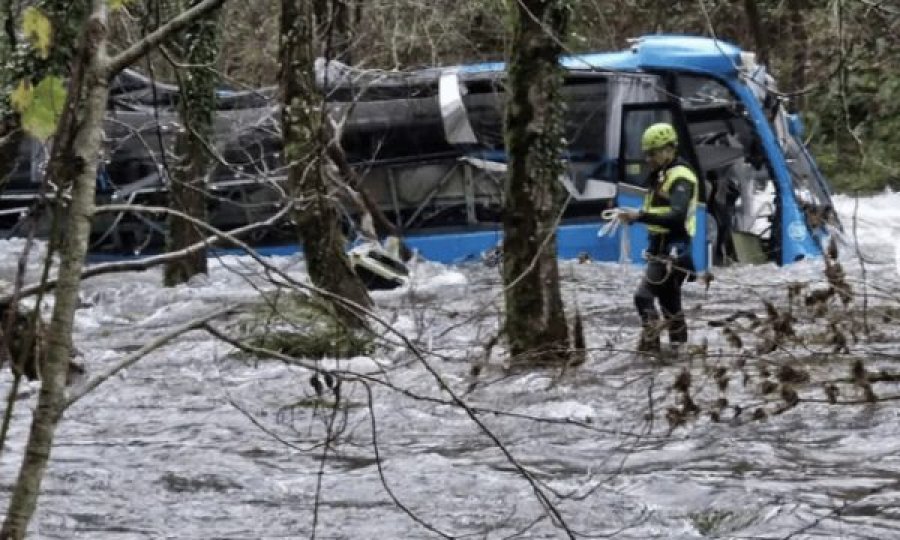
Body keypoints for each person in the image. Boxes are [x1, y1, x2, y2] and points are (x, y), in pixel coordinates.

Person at [619, 122, 699, 353]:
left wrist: (639, 216)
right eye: (647, 154)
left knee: (642, 298)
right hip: (663, 248)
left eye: (652, 153)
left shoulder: (681, 177)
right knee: (671, 306)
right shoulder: (663, 174)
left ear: (668, 150)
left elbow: (676, 216)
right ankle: (678, 354)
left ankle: (650, 349)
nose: (648, 159)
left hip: (674, 249)